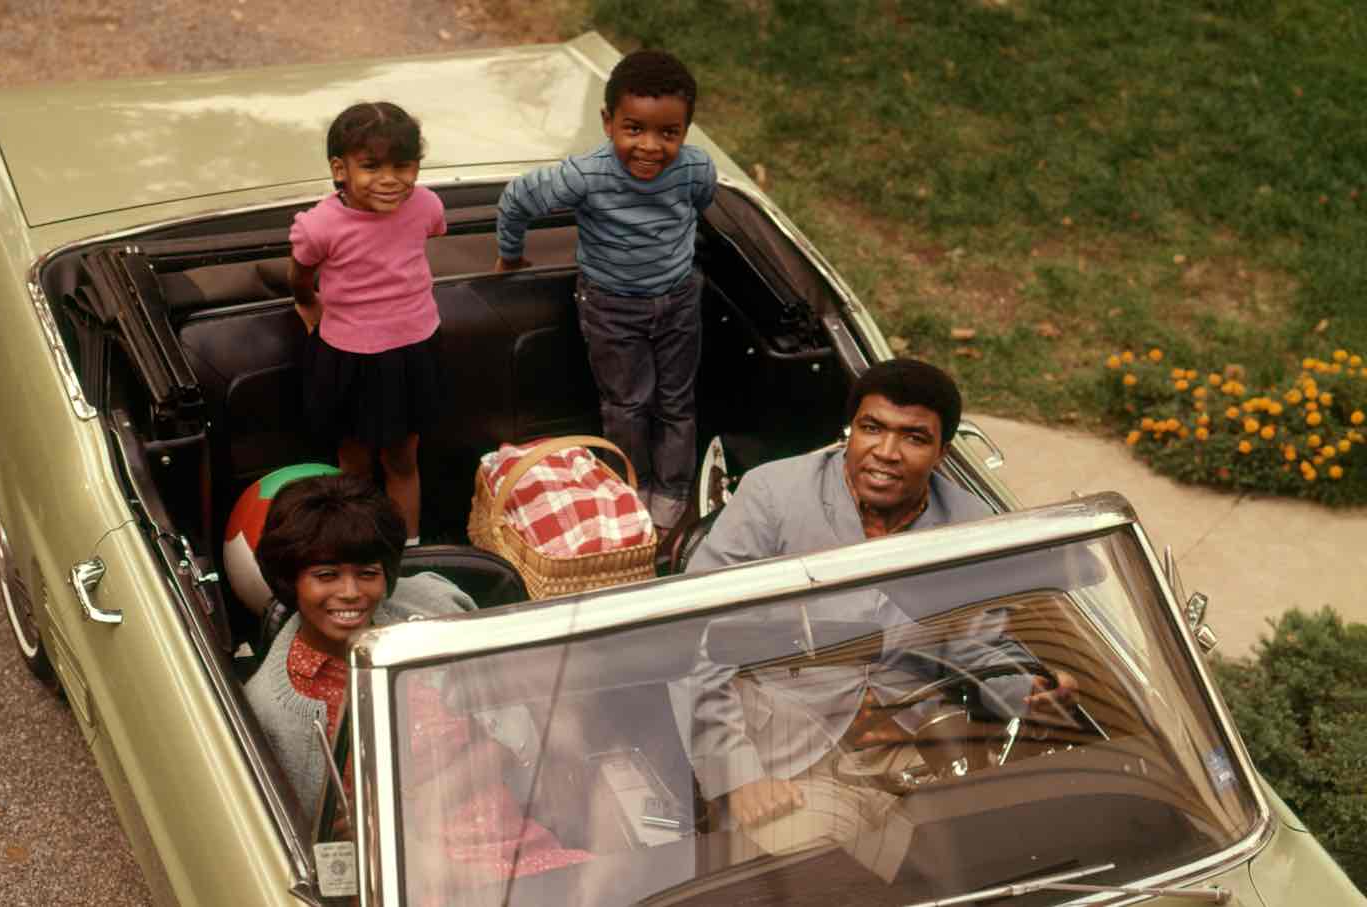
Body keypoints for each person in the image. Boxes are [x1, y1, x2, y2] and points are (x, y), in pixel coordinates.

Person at [675, 358, 1078, 875]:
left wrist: (1022, 687)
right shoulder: (772, 496)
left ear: (941, 453)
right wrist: (736, 773)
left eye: (913, 437)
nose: (886, 453)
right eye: (872, 429)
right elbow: (696, 637)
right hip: (787, 759)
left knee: (1012, 863)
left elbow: (972, 642)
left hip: (916, 753)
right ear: (850, 432)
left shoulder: (971, 525)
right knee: (816, 879)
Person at [244, 474, 591, 893]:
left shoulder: (435, 608)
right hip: (410, 882)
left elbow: (514, 732)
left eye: (367, 573)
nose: (351, 592)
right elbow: (319, 857)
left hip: (520, 847)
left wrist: (419, 801)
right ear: (291, 581)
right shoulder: (272, 708)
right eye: (327, 574)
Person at [494, 49, 718, 531]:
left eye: (668, 133)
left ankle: (673, 489)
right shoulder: (585, 175)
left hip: (678, 300)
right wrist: (510, 254)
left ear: (686, 130)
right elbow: (517, 199)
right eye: (633, 129)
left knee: (677, 401)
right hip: (611, 308)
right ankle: (629, 486)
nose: (650, 146)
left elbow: (700, 202)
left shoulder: (695, 169)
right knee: (628, 404)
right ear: (607, 121)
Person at [289, 102, 447, 545]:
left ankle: (408, 548)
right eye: (371, 166)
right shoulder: (319, 226)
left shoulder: (426, 205)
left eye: (403, 165)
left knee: (402, 459)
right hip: (349, 357)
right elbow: (301, 274)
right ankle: (355, 543)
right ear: (340, 169)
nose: (390, 179)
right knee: (353, 459)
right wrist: (308, 304)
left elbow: (419, 241)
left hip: (413, 351)